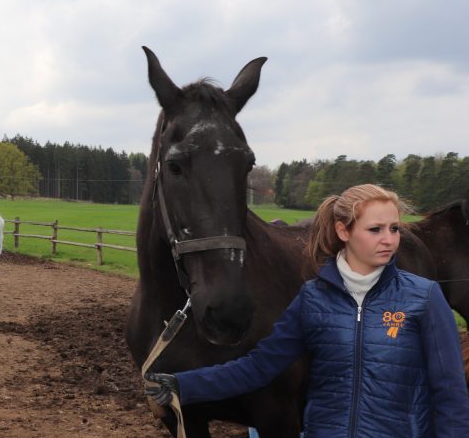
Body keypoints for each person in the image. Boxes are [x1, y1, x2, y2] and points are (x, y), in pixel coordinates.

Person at [145, 184, 469, 437]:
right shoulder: (313, 299)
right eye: (375, 230)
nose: (389, 240)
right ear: (344, 232)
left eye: (394, 228)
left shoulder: (424, 298)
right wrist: (183, 386)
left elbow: (450, 392)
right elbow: (258, 367)